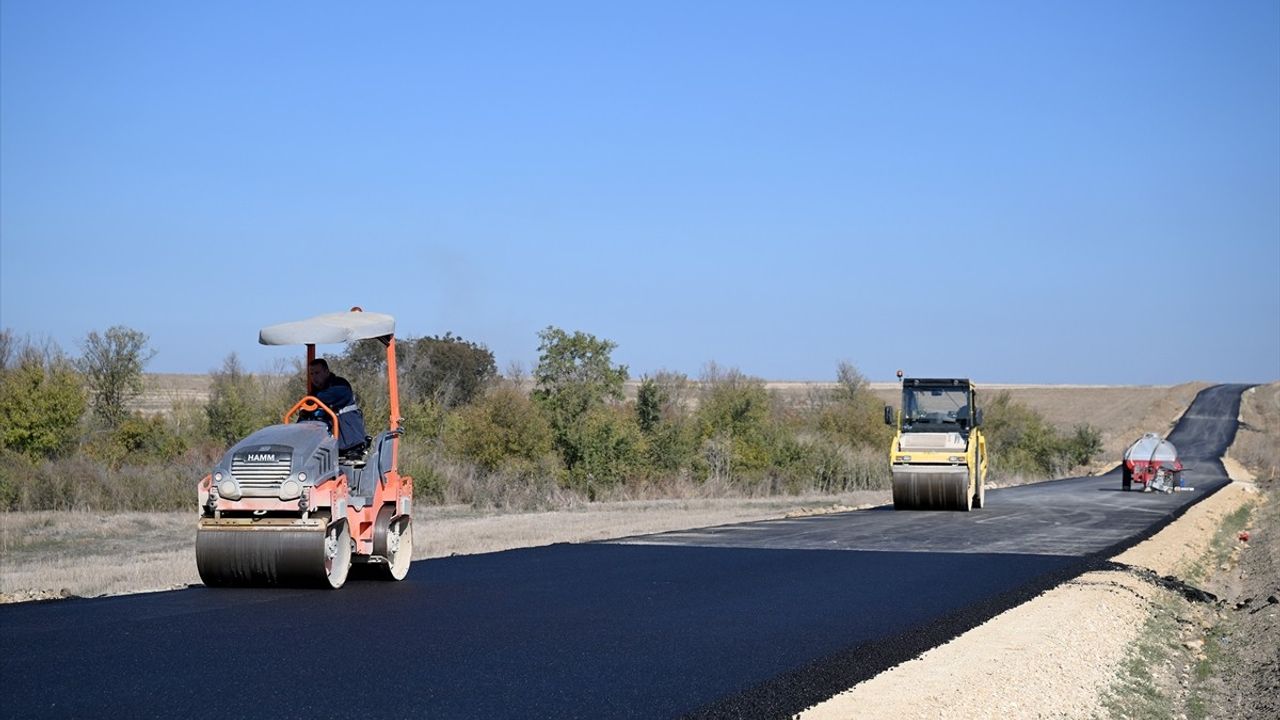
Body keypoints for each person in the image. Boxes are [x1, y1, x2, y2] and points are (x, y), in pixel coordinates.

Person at [306, 358, 367, 458]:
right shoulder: (315, 392)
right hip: (327, 442)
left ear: (326, 372)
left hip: (349, 438)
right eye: (311, 374)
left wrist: (312, 400)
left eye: (317, 373)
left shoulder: (340, 385)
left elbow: (329, 397)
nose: (314, 377)